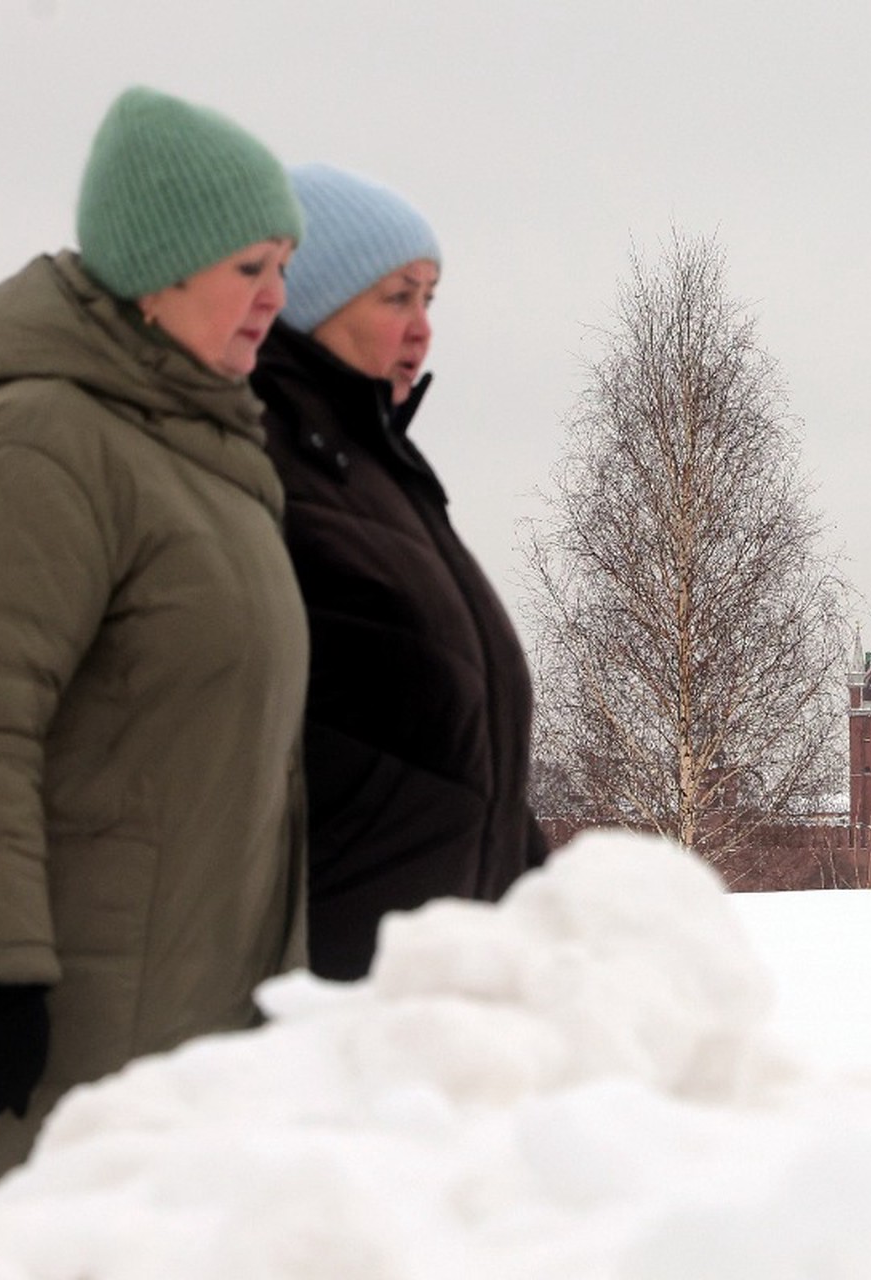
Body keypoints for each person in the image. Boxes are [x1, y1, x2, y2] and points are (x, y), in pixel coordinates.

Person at [0, 86, 311, 1239]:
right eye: (251, 266)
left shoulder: (198, 454)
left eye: (284, 266)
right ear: (162, 267)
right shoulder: (47, 444)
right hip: (44, 1025)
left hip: (169, 1012)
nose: (277, 299)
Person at [250, 165, 548, 982]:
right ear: (308, 301)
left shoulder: (382, 474)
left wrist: (539, 902)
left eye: (430, 300)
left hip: (430, 982)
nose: (421, 330)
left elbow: (454, 742)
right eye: (395, 298)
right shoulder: (257, 468)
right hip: (331, 982)